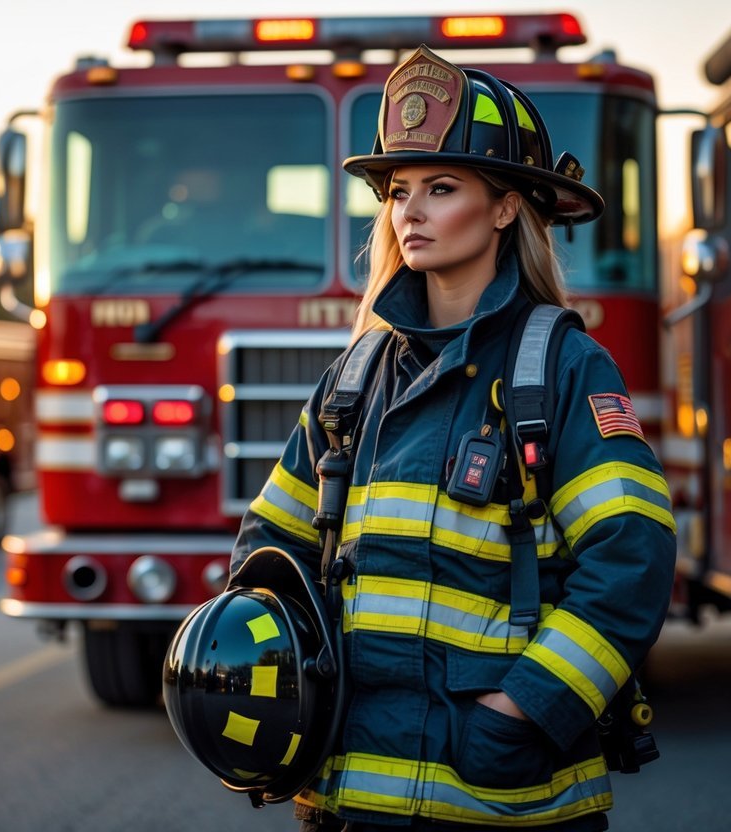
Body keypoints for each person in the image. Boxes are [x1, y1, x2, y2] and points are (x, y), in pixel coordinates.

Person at [230, 46, 676, 831]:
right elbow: (272, 548)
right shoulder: (354, 378)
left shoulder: (564, 368)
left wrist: (524, 712)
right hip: (350, 804)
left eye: (442, 188)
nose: (410, 212)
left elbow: (630, 558)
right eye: (400, 191)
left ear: (505, 208)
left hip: (504, 801)